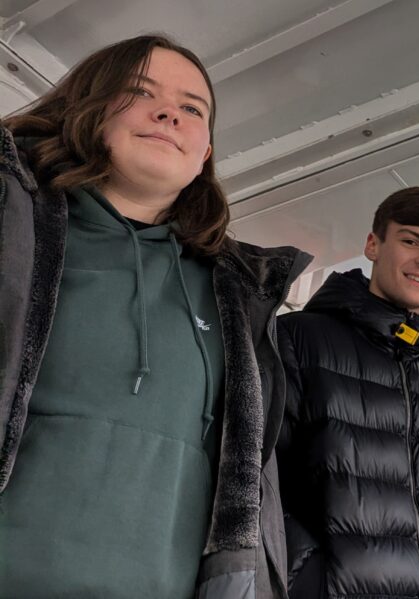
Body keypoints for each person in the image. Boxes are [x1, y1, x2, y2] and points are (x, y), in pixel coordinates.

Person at [0, 35, 311, 598]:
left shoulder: (241, 297)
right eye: (139, 92)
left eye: (192, 108)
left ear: (206, 151)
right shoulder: (9, 225)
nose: (170, 112)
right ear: (88, 110)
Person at [277, 187, 419, 598]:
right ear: (373, 245)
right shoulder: (296, 339)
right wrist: (306, 577)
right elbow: (257, 474)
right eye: (411, 240)